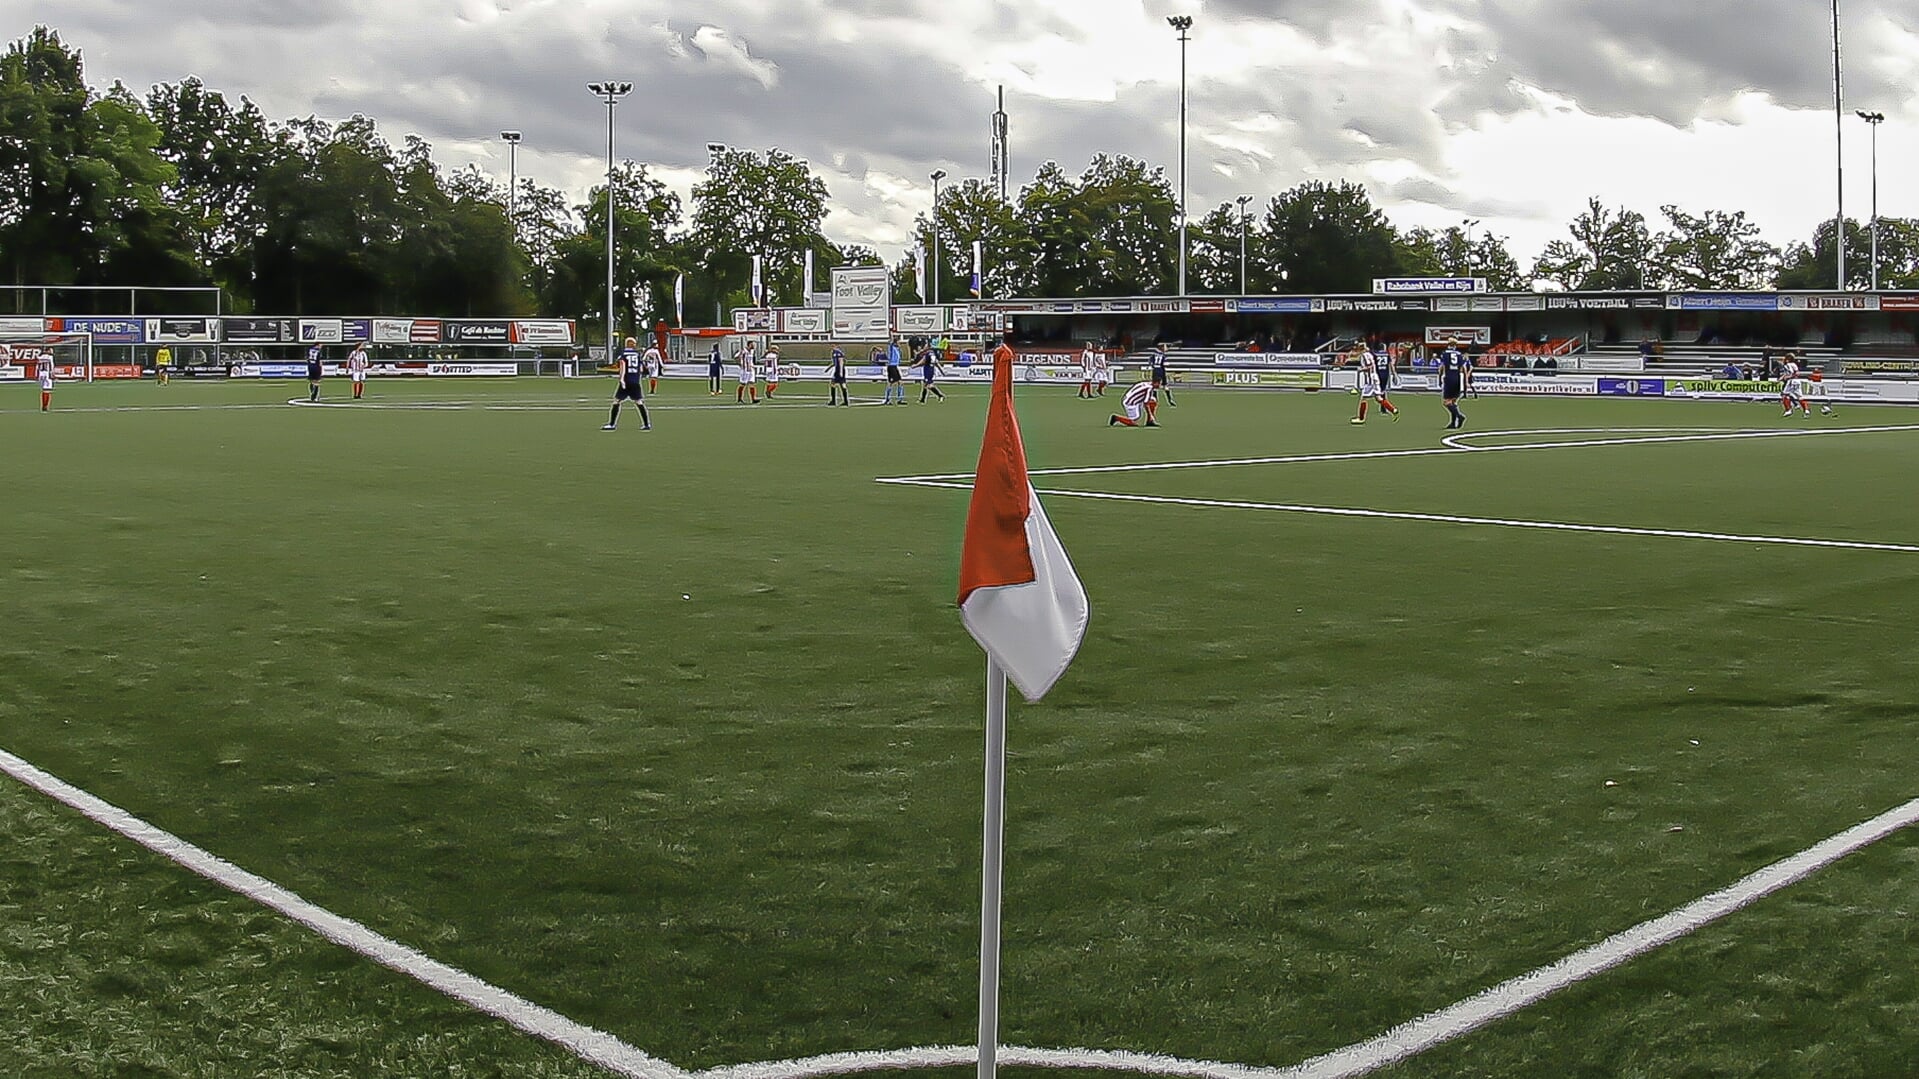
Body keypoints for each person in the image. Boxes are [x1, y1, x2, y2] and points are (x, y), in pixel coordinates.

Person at [602, 336, 652, 430]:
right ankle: (646, 424)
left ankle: (612, 424)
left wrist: (621, 379)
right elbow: (641, 369)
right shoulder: (637, 355)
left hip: (626, 380)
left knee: (617, 401)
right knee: (639, 402)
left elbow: (623, 368)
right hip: (635, 381)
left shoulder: (623, 355)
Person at [1352, 343, 1400, 424]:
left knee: (1364, 398)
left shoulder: (1365, 355)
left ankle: (1361, 419)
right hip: (1375, 378)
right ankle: (1393, 410)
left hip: (1371, 380)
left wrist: (1361, 369)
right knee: (1378, 398)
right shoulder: (1371, 354)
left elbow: (1370, 366)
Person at [1437, 338, 1470, 429]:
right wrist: (1465, 381)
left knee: (1446, 402)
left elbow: (1442, 367)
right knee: (1453, 402)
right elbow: (1464, 368)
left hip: (1449, 378)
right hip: (1457, 378)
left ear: (1448, 344)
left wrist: (1439, 377)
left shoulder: (1445, 354)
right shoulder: (1459, 355)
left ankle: (1460, 416)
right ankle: (1452, 423)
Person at [1779, 352, 1810, 418]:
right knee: (1800, 396)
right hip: (1797, 381)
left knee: (1784, 395)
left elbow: (1791, 373)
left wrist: (1787, 377)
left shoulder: (1788, 365)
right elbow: (1797, 373)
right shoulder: (1794, 364)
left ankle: (1788, 410)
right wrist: (1782, 377)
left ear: (1788, 359)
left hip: (1791, 381)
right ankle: (1806, 410)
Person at [884, 338, 905, 404]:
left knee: (899, 382)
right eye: (898, 342)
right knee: (893, 383)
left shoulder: (897, 349)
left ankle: (899, 399)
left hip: (895, 366)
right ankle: (889, 399)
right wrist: (891, 333)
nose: (900, 344)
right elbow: (890, 342)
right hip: (891, 366)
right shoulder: (891, 348)